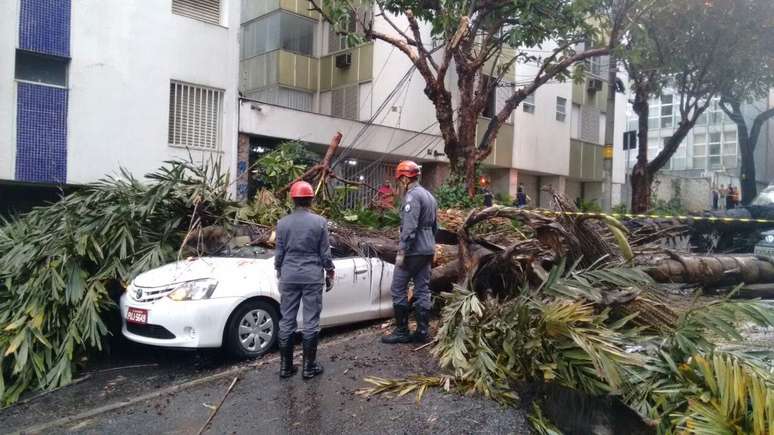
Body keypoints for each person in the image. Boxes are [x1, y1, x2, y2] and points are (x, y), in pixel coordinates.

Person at [275, 181, 335, 380]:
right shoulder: (319, 222)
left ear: (293, 200)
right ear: (311, 199)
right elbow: (325, 253)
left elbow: (279, 253)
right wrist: (330, 271)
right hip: (311, 277)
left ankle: (285, 368)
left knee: (286, 321)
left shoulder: (282, 223)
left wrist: (279, 271)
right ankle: (308, 368)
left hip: (289, 276)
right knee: (311, 322)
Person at [382, 160, 438, 345]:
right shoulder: (429, 196)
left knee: (398, 289)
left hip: (413, 251)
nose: (399, 183)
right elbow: (435, 227)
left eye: (400, 179)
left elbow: (409, 227)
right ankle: (422, 332)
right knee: (422, 290)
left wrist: (402, 251)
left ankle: (402, 331)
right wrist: (431, 244)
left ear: (405, 178)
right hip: (428, 248)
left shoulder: (412, 197)